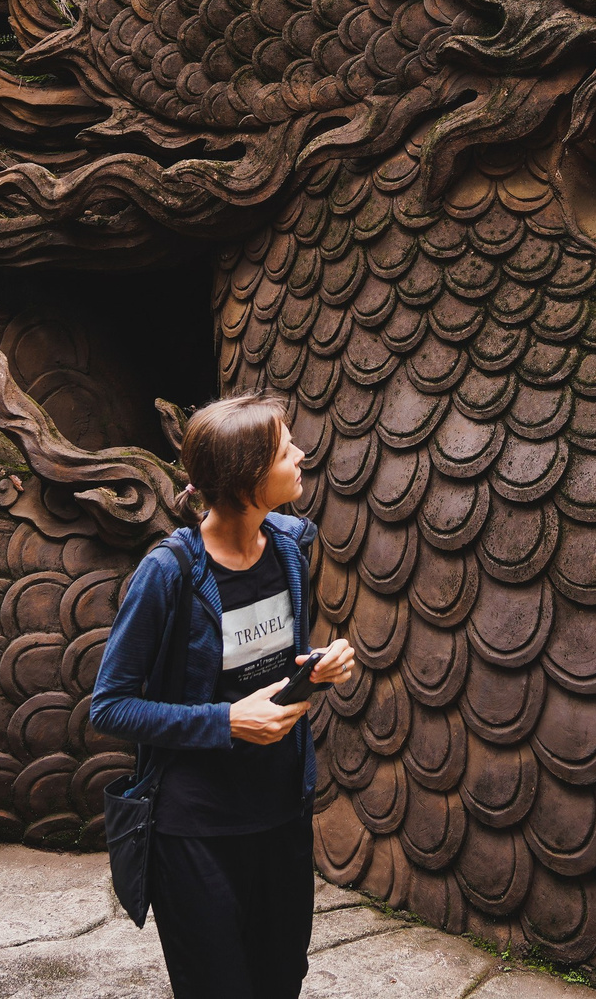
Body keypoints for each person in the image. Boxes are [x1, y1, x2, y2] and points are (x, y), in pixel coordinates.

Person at [90, 392, 356, 999]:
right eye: (286, 449)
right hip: (196, 831)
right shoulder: (169, 572)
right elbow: (110, 705)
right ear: (246, 478)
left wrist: (315, 667)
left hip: (282, 813)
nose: (301, 454)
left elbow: (268, 668)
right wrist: (226, 722)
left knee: (280, 981)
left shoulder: (288, 549)